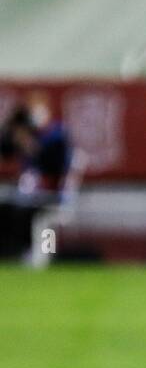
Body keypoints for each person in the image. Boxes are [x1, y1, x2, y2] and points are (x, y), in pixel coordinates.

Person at [0, 92, 70, 258]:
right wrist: (12, 129)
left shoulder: (56, 133)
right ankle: (16, 251)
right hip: (28, 194)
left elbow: (48, 157)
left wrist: (27, 142)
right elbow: (5, 151)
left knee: (43, 218)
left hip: (53, 192)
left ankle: (47, 254)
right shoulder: (27, 133)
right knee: (10, 209)